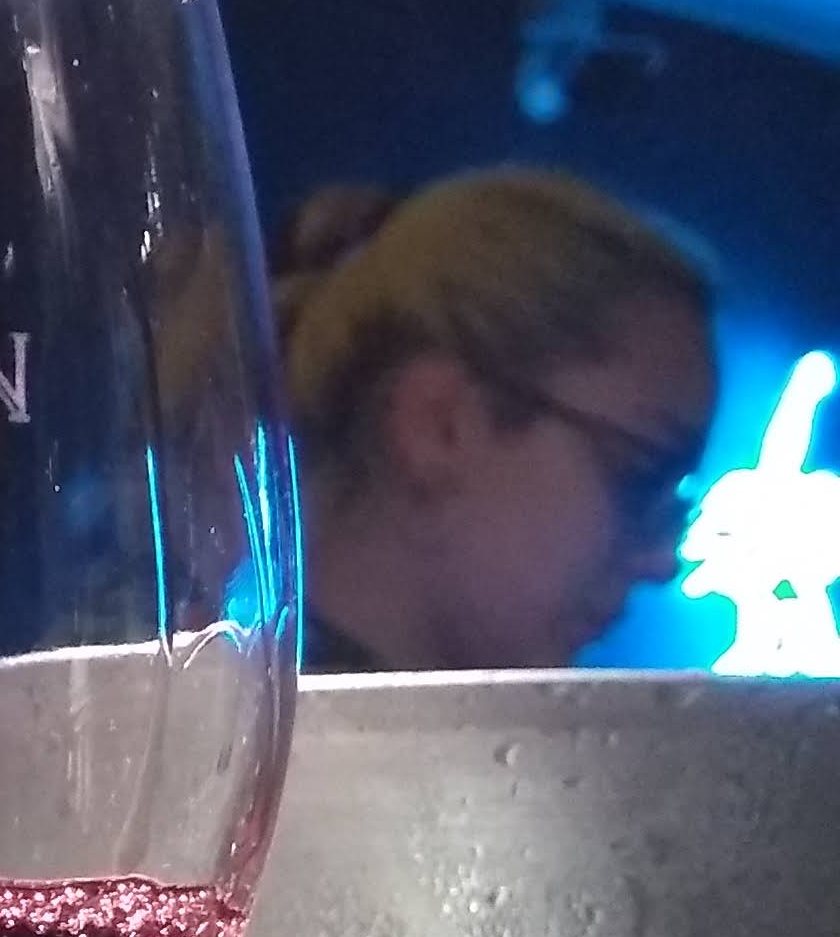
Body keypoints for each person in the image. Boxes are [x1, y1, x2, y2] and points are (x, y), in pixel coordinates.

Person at [272, 166, 716, 670]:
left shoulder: (226, 699)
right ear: (440, 425)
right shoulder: (247, 709)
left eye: (676, 505)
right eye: (640, 475)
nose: (663, 561)